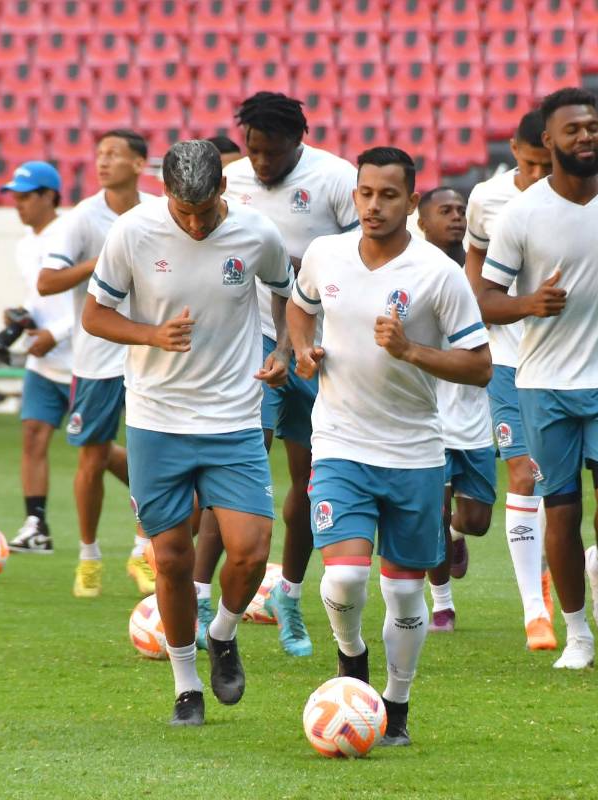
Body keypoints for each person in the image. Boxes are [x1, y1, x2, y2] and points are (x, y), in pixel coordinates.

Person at [83, 140, 293, 726]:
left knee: (250, 553)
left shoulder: (257, 234)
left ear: (223, 190)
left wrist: (283, 347)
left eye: (204, 209)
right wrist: (152, 336)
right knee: (171, 558)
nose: (195, 222)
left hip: (232, 417)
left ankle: (222, 633)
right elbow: (94, 316)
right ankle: (186, 686)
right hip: (157, 419)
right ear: (165, 194)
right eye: (183, 210)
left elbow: (286, 293)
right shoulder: (132, 232)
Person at [290, 147, 491, 745]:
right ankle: (351, 660)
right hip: (339, 444)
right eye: (365, 193)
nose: (374, 206)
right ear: (354, 194)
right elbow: (300, 310)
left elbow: (479, 367)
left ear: (413, 201)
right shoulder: (325, 254)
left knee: (404, 591)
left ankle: (396, 705)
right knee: (347, 581)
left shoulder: (439, 274)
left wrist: (411, 352)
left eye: (388, 195)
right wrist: (301, 349)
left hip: (413, 453)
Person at [478, 88, 598, 670]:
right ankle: (576, 634)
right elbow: (484, 297)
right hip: (543, 384)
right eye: (572, 129)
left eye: (592, 126)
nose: (586, 136)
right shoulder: (522, 215)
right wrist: (530, 304)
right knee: (561, 509)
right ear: (548, 141)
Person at [191, 91, 358, 657]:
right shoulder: (230, 182)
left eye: (273, 152)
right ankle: (198, 597)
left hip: (322, 344)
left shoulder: (336, 179)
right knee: (234, 468)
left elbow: (367, 252)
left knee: (309, 479)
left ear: (298, 141)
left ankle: (287, 595)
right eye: (253, 150)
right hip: (251, 342)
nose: (261, 163)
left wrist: (307, 317)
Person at [36, 130, 156, 597]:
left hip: (148, 354)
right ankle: (88, 557)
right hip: (96, 358)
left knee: (152, 458)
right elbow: (48, 282)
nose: (103, 162)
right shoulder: (82, 219)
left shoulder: (156, 214)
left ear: (140, 163)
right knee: (92, 458)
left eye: (114, 154)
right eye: (99, 153)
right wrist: (101, 262)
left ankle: (140, 552)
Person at [463, 110, 557, 651]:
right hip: (507, 361)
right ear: (515, 153)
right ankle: (534, 610)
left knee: (577, 494)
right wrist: (488, 310)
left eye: (548, 166)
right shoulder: (487, 200)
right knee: (522, 474)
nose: (539, 175)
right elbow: (477, 270)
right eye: (529, 164)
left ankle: (591, 564)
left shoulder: (587, 201)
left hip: (568, 365)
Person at [415, 186, 495, 634]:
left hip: (474, 412)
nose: (456, 217)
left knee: (477, 520)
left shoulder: (481, 271)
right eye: (444, 210)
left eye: (461, 210)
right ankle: (442, 604)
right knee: (435, 514)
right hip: (430, 415)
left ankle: (459, 537)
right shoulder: (413, 269)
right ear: (422, 221)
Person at [0, 161, 75, 553]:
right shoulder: (24, 245)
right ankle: (36, 524)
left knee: (96, 451)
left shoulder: (72, 233)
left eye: (26, 196)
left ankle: (156, 498)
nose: (18, 204)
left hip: (85, 359)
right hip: (44, 361)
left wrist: (58, 332)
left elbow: (96, 296)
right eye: (15, 196)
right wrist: (22, 317)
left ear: (50, 195)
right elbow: (40, 297)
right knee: (32, 436)